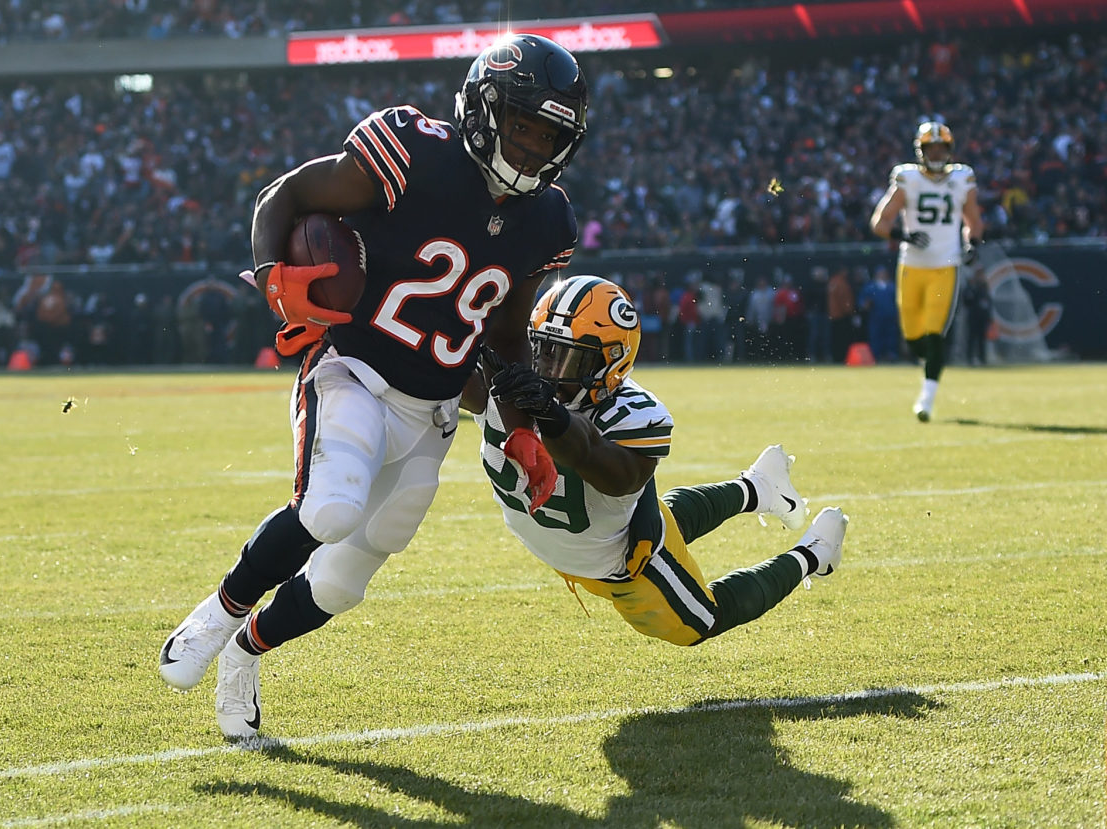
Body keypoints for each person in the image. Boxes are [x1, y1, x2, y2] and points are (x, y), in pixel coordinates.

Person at [159, 34, 589, 738]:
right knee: (329, 509)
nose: (535, 148)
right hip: (352, 369)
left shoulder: (548, 219)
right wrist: (274, 277)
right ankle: (217, 614)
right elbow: (286, 194)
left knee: (341, 582)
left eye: (551, 136)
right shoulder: (412, 150)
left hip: (436, 411)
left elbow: (507, 336)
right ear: (485, 109)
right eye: (522, 126)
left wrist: (520, 428)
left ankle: (244, 654)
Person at [463, 275, 849, 647]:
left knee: (700, 622)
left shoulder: (633, 416)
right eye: (543, 350)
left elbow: (606, 469)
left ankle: (814, 552)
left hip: (620, 563)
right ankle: (759, 486)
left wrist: (549, 413)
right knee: (668, 519)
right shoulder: (503, 380)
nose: (548, 371)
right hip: (574, 541)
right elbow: (439, 375)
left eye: (569, 360)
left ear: (609, 364)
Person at [870, 121, 983, 421]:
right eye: (929, 147)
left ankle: (927, 400)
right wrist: (902, 236)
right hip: (912, 265)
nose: (935, 153)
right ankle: (930, 367)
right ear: (920, 151)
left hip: (945, 266)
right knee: (913, 339)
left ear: (948, 150)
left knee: (935, 335)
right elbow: (880, 223)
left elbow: (973, 220)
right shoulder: (907, 177)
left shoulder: (963, 177)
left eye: (939, 147)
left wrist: (972, 243)